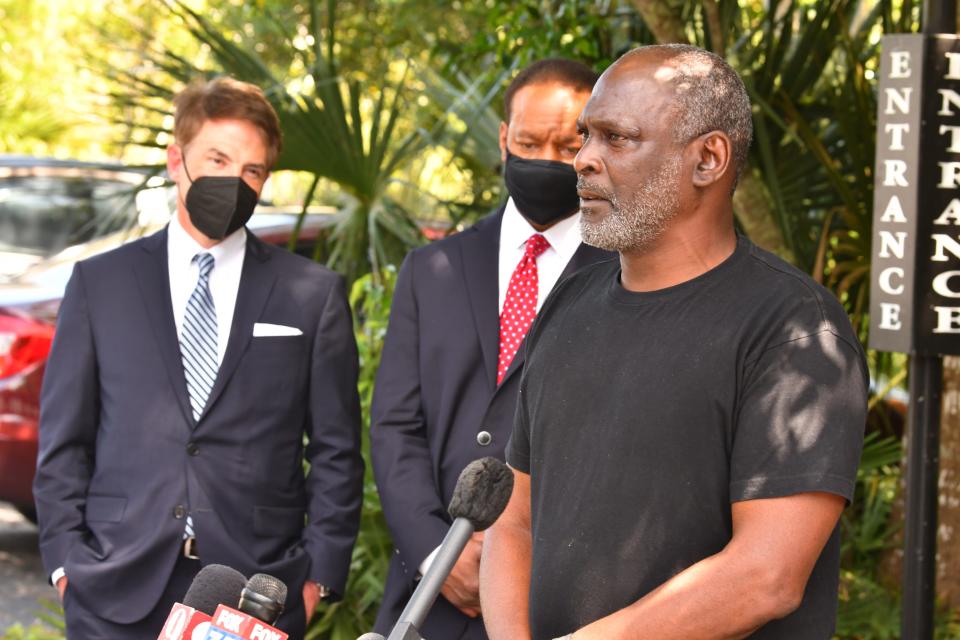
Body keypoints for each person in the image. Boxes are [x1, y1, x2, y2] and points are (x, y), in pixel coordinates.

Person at [480, 44, 868, 640]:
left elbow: (766, 575)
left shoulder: (794, 330)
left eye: (617, 138)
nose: (582, 159)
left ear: (708, 159)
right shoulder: (570, 300)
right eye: (586, 137)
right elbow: (515, 523)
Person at [33, 77, 364, 639]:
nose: (234, 181)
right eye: (217, 157)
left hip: (254, 595)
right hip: (113, 585)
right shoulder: (100, 283)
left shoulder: (311, 294)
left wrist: (317, 581)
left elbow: (336, 451)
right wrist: (67, 564)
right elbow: (64, 441)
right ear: (175, 159)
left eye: (253, 170)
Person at [370, 58, 613, 639]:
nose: (546, 159)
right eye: (529, 141)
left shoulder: (624, 274)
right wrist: (436, 553)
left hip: (559, 602)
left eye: (565, 143)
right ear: (504, 139)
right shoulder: (432, 269)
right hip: (429, 603)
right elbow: (394, 426)